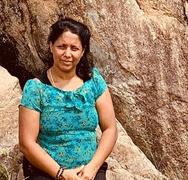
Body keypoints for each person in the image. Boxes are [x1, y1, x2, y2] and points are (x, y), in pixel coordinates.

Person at [19, 18, 117, 180]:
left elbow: (110, 129)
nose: (67, 54)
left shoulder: (93, 80)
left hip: (89, 171)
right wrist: (61, 173)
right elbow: (27, 143)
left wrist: (92, 168)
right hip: (47, 172)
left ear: (83, 51)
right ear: (51, 46)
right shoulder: (36, 88)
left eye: (74, 48)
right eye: (61, 47)